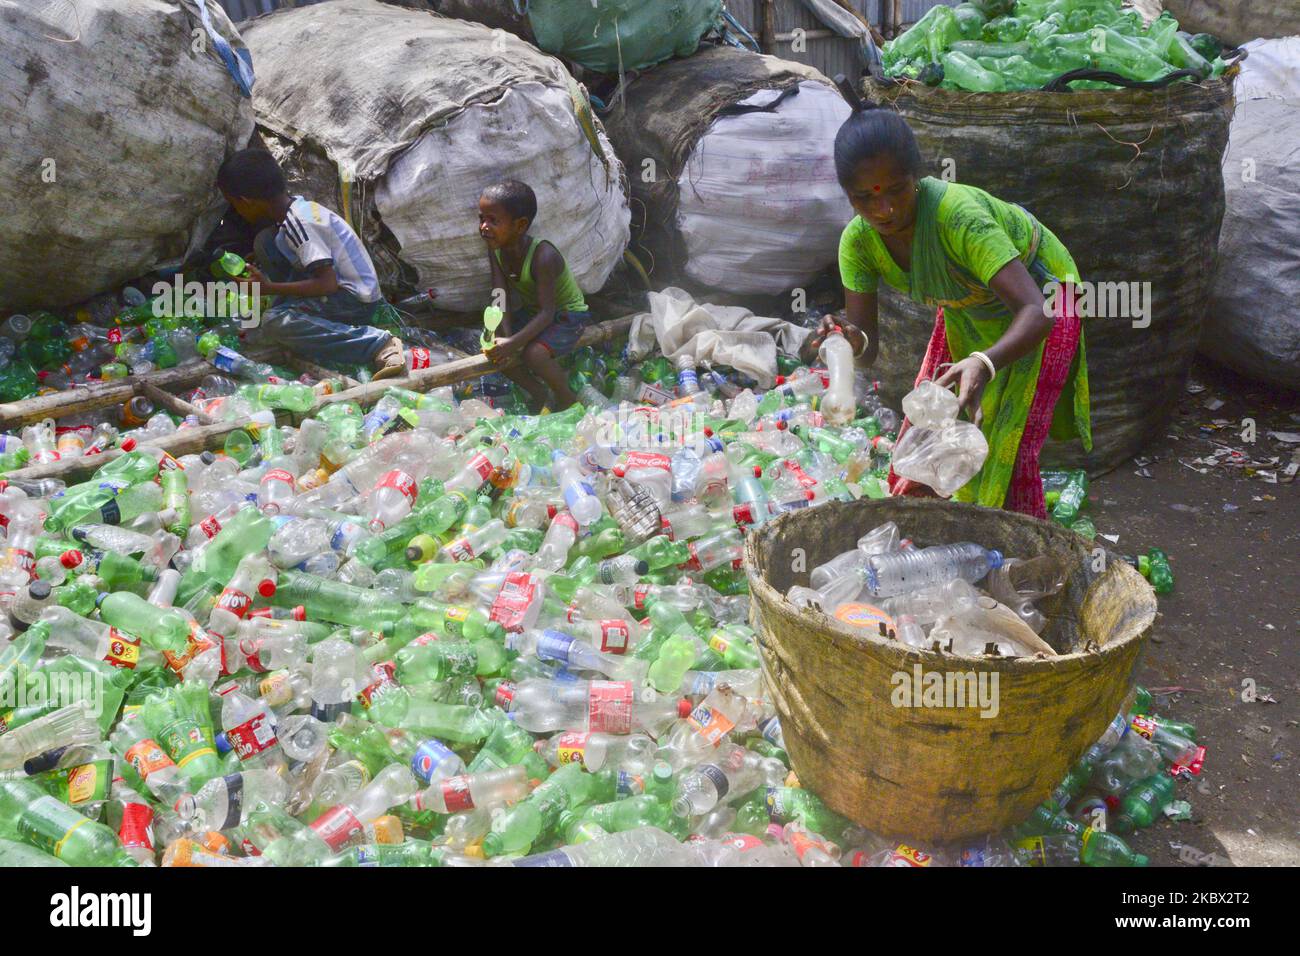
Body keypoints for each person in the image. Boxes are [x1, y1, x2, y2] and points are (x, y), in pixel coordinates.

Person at [801, 106, 1091, 519]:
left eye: (896, 190)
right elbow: (867, 350)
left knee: (1006, 442)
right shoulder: (858, 244)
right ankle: (938, 533)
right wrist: (844, 340)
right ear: (849, 195)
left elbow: (1037, 310)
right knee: (930, 425)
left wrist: (985, 361)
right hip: (967, 306)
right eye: (866, 197)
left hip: (1044, 299)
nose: (884, 210)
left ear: (916, 178)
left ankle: (1020, 558)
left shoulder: (957, 218)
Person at [215, 148, 407, 380]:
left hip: (354, 301)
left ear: (245, 201)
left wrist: (268, 288)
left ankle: (378, 344)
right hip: (340, 290)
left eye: (233, 204)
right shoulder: (296, 209)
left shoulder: (299, 223)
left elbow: (327, 284)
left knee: (275, 322)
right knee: (265, 243)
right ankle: (289, 315)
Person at [478, 180, 593, 410]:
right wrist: (505, 337)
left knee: (534, 355)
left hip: (567, 317)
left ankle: (567, 399)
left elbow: (548, 312)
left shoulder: (543, 256)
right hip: (536, 314)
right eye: (481, 218)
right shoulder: (496, 250)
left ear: (520, 226)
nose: (484, 227)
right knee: (493, 349)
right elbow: (501, 295)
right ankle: (538, 392)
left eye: (493, 221)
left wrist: (512, 343)